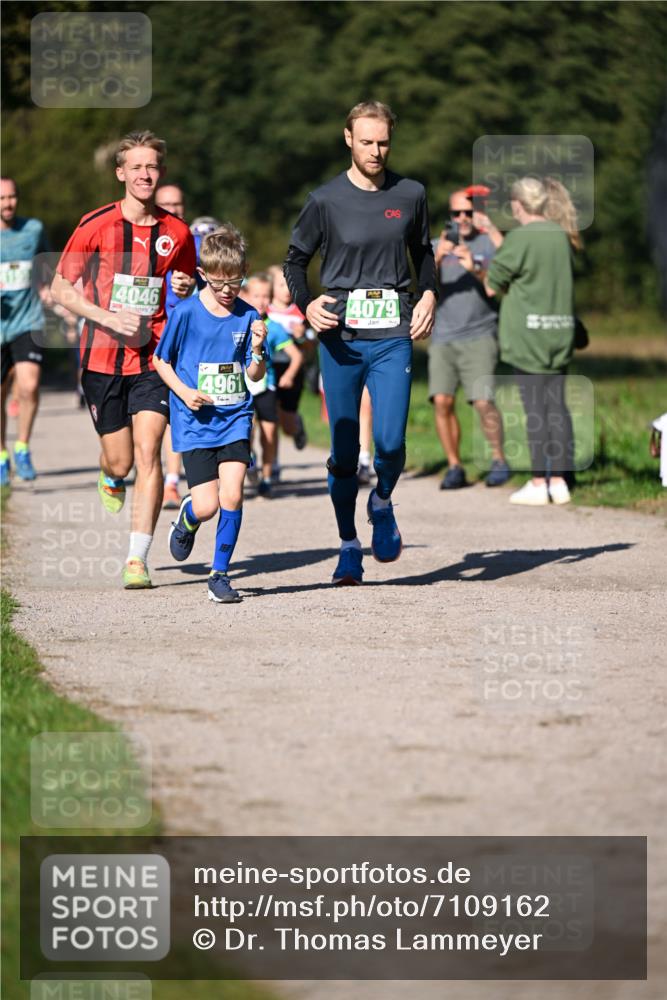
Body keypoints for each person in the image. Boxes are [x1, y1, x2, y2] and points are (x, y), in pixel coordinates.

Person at [284, 100, 436, 585]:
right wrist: (307, 304)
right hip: (341, 337)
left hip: (393, 333)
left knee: (390, 442)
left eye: (383, 142)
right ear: (348, 138)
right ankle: (348, 545)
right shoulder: (325, 200)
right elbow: (294, 262)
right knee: (345, 452)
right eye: (366, 141)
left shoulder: (410, 194)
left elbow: (424, 252)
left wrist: (429, 292)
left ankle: (383, 500)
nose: (375, 151)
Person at [51, 130, 196, 587]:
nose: (144, 174)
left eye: (151, 166)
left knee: (149, 452)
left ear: (161, 172)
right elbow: (60, 288)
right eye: (136, 167)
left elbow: (187, 282)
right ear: (121, 173)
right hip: (103, 358)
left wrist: (185, 286)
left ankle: (137, 558)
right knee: (121, 462)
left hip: (154, 359)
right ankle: (109, 473)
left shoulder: (177, 232)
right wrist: (108, 318)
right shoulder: (96, 224)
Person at [153, 225, 267, 603]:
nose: (227, 290)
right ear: (202, 274)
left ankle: (219, 574)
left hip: (235, 417)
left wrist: (258, 349)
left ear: (244, 272)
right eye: (218, 282)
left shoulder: (248, 315)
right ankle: (188, 516)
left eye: (235, 281)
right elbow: (160, 361)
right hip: (195, 421)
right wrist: (185, 393)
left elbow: (255, 375)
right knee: (207, 506)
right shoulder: (186, 313)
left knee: (232, 495)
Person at [460, 176, 579, 505]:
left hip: (528, 337)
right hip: (559, 332)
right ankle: (560, 481)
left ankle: (539, 482)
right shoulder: (559, 235)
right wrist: (493, 232)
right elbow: (526, 262)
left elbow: (492, 285)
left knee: (535, 410)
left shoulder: (520, 237)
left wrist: (474, 267)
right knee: (557, 408)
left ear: (518, 204)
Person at [430, 189, 510, 490]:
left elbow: (505, 281)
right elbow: (420, 287)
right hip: (443, 335)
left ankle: (499, 460)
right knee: (442, 401)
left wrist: (474, 267)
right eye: (457, 213)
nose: (462, 218)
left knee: (482, 401)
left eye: (468, 212)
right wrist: (438, 258)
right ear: (449, 216)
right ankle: (454, 466)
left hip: (480, 332)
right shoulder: (435, 245)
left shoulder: (488, 243)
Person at [1, 177, 51, 485]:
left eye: (12, 197)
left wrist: (46, 287)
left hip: (27, 320)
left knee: (29, 386)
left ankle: (22, 447)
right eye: (2, 198)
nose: (8, 203)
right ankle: (1, 456)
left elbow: (45, 264)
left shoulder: (33, 229)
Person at [241, 272, 303, 498]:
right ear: (245, 295)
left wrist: (289, 375)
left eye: (266, 296)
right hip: (243, 387)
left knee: (268, 433)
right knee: (246, 432)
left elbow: (296, 356)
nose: (261, 301)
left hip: (266, 386)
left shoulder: (274, 328)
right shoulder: (237, 322)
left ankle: (267, 479)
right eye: (256, 296)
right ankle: (250, 462)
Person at [155, 182, 194, 509]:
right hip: (147, 338)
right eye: (166, 204)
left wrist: (193, 284)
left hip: (185, 340)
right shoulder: (145, 239)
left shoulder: (194, 242)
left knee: (174, 411)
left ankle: (171, 482)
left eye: (177, 204)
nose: (172, 209)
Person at [266, 264, 308, 477]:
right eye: (281, 285)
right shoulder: (264, 310)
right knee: (269, 418)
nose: (286, 290)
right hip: (268, 368)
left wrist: (302, 336)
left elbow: (310, 345)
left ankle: (297, 426)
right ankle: (273, 463)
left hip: (292, 369)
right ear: (271, 287)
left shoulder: (300, 311)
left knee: (286, 425)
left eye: (289, 285)